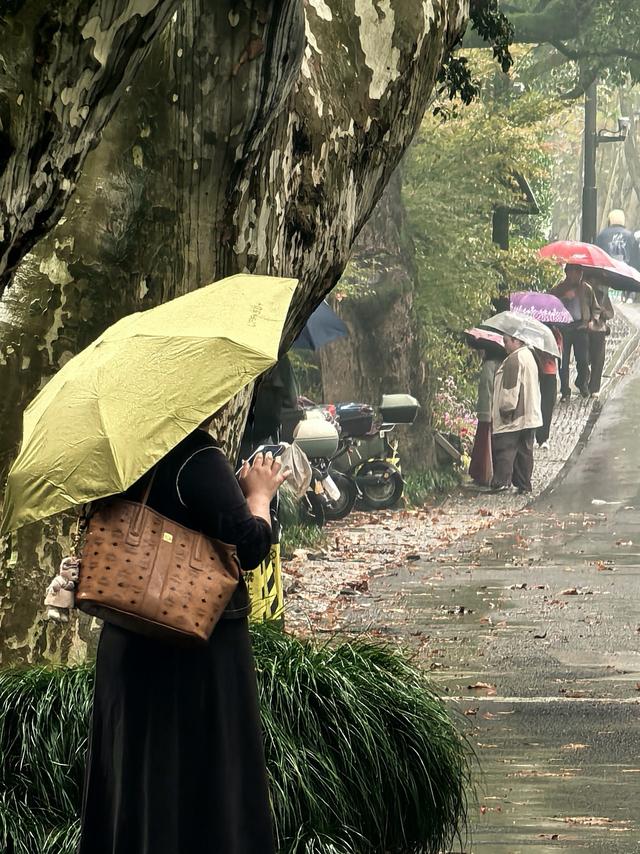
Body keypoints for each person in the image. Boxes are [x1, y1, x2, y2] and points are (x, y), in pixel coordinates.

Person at [78, 423, 288, 854]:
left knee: (138, 783)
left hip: (129, 643)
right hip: (193, 649)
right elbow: (248, 546)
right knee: (203, 789)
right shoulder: (196, 456)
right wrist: (260, 495)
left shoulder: (118, 457)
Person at [491, 333, 542, 494]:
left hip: (515, 415)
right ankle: (524, 484)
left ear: (516, 340)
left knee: (505, 448)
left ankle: (501, 482)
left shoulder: (514, 359)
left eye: (506, 341)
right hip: (530, 413)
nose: (504, 345)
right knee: (525, 451)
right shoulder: (530, 355)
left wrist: (506, 409)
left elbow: (510, 389)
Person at [550, 264, 599, 401]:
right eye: (574, 272)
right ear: (567, 273)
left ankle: (582, 383)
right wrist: (564, 298)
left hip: (581, 327)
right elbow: (549, 304)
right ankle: (565, 391)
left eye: (579, 273)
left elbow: (595, 308)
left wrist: (592, 321)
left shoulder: (586, 289)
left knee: (583, 360)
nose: (577, 276)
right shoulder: (558, 289)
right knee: (563, 362)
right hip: (563, 328)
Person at [469, 347, 502, 487]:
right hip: (499, 410)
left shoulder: (489, 365)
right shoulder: (502, 363)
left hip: (488, 411)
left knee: (485, 444)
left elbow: (486, 390)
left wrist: (484, 413)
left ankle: (484, 474)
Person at [596, 209, 640, 302]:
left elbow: (596, 257)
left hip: (606, 277)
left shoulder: (602, 235)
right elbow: (635, 259)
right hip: (626, 278)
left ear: (609, 220)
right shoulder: (630, 236)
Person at [585, 274, 615, 398]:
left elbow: (610, 313)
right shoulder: (582, 293)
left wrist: (603, 312)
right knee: (584, 359)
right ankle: (584, 381)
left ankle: (594, 388)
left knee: (598, 360)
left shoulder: (603, 296)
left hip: (599, 330)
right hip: (585, 330)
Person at [534, 327, 562, 449]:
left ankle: (543, 437)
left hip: (549, 371)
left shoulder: (556, 334)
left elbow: (558, 352)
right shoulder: (534, 331)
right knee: (535, 403)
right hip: (535, 370)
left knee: (547, 405)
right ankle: (535, 435)